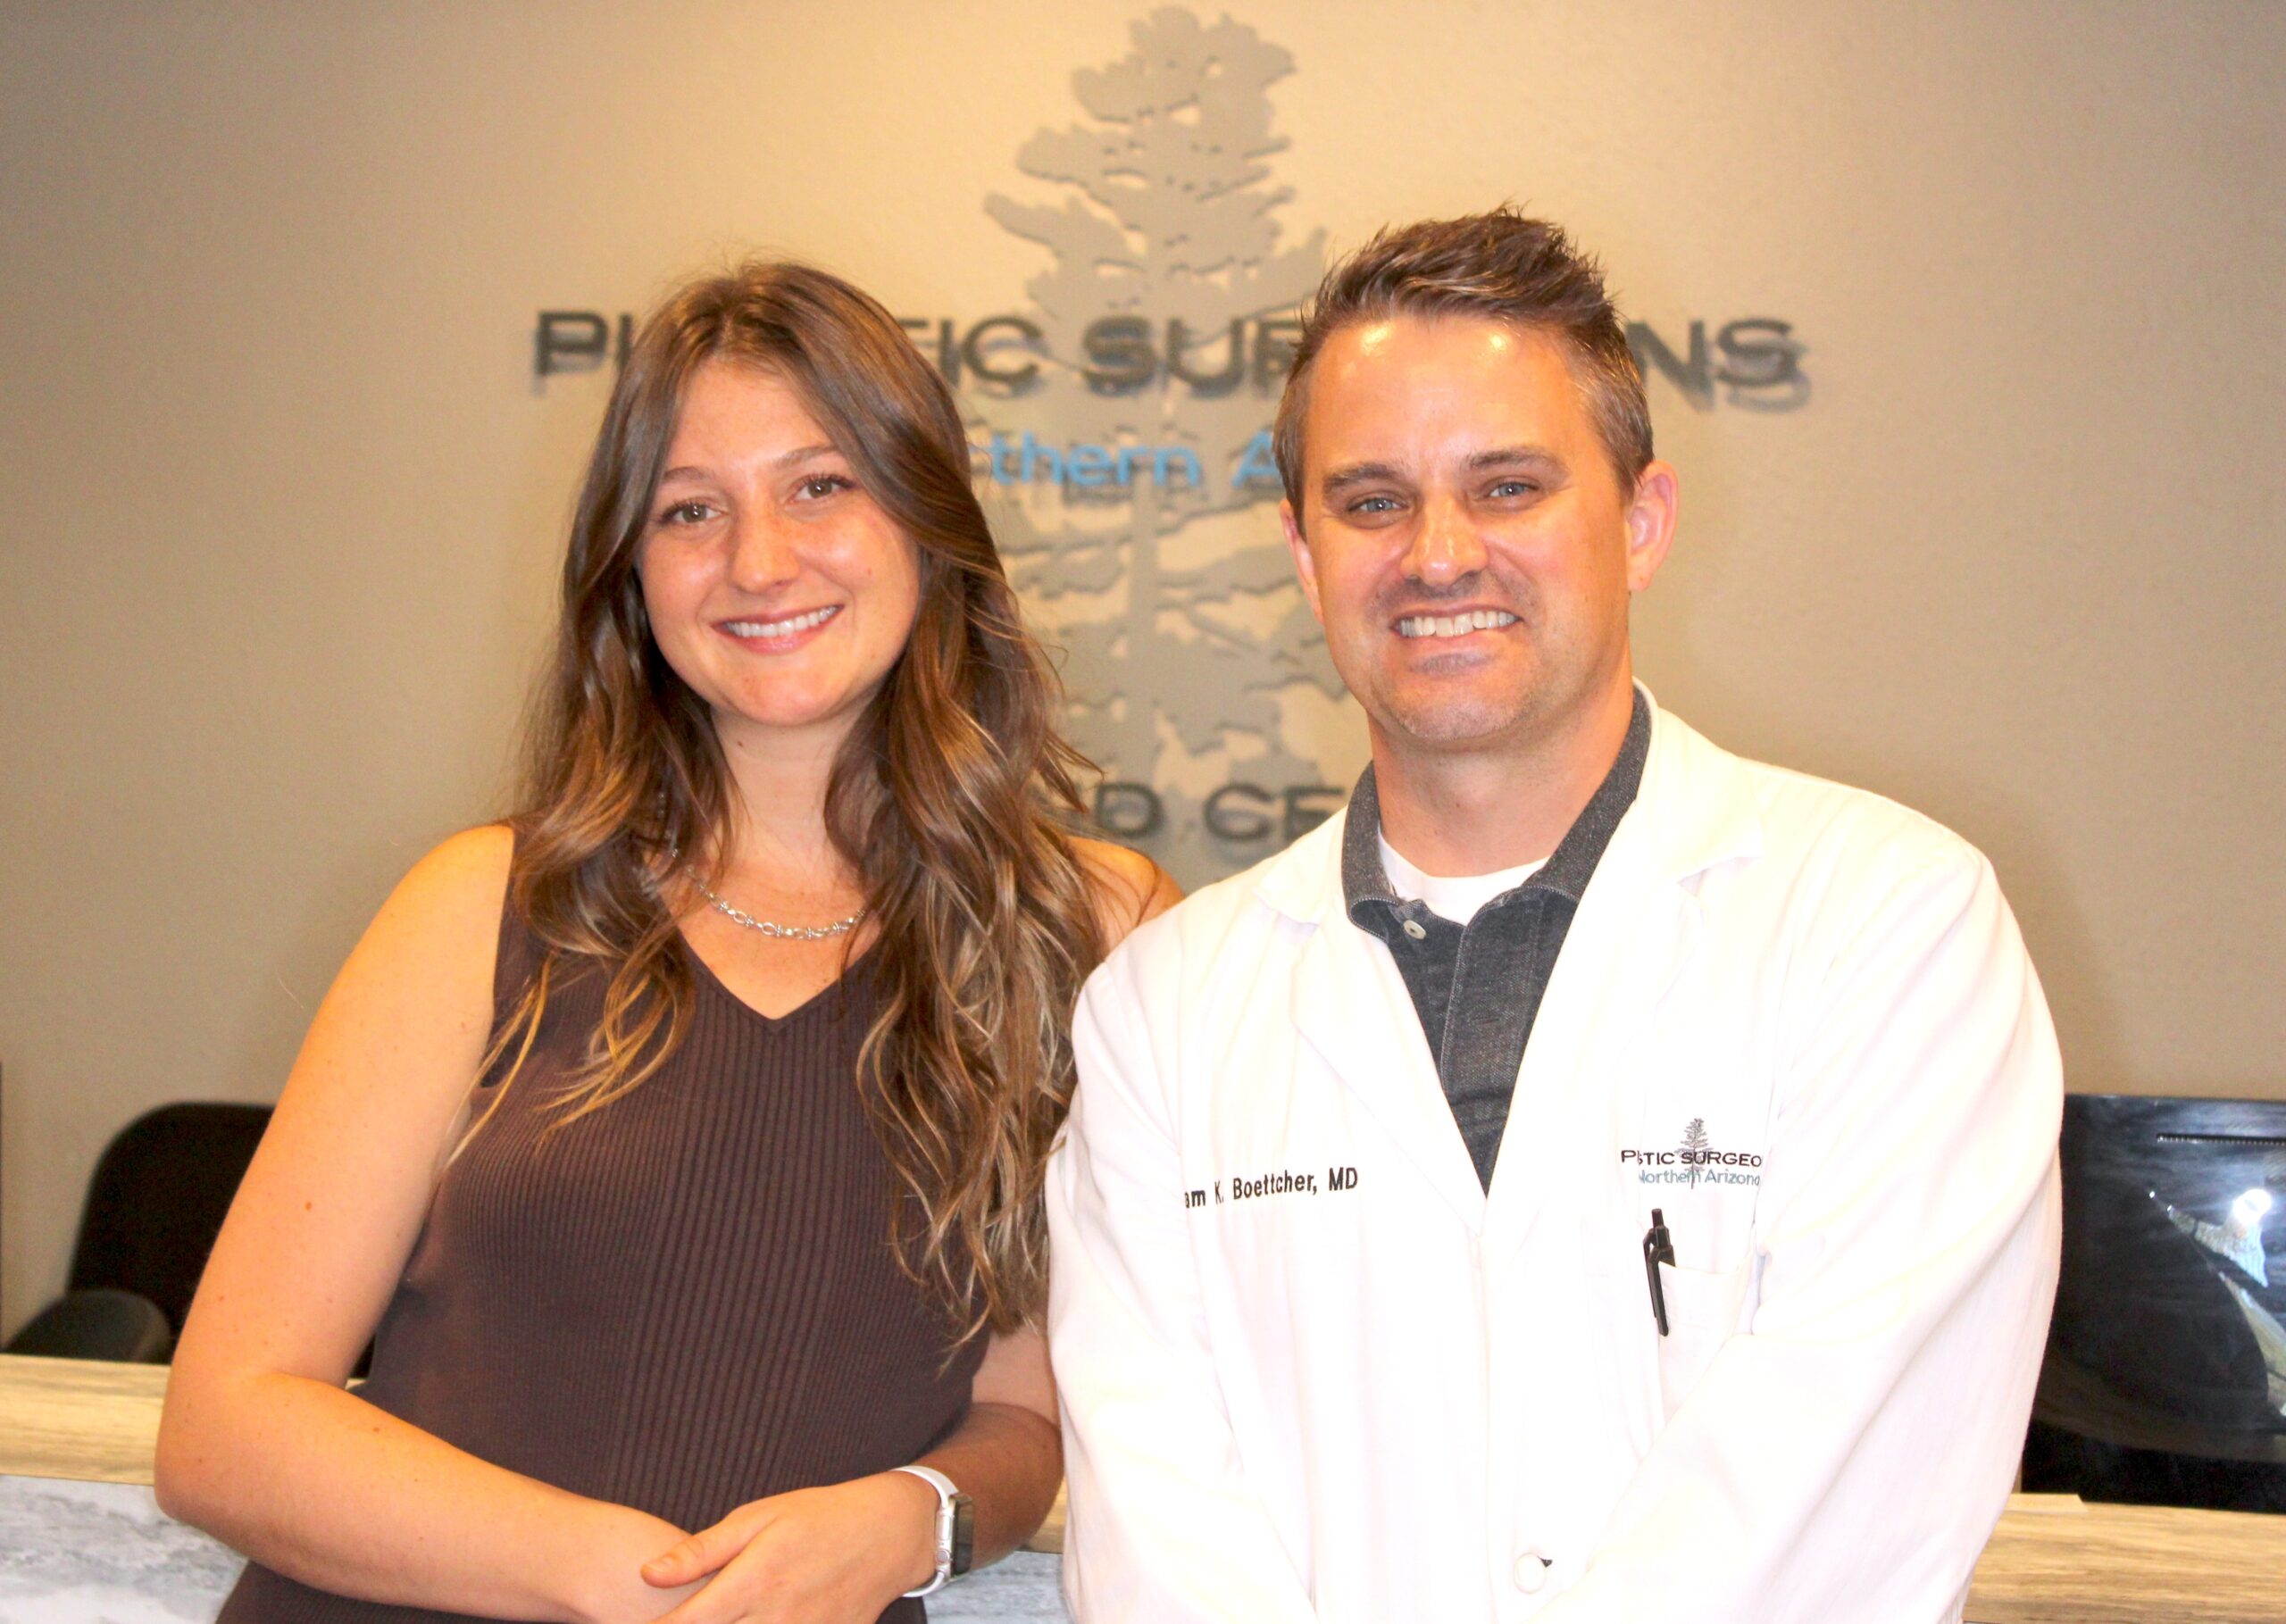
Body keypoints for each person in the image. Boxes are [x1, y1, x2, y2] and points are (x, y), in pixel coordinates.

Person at [1045, 209, 2063, 1623]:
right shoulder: (1163, 1014)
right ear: (1302, 553)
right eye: (1372, 499)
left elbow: (1839, 1497)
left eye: (1509, 486)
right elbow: (1161, 1541)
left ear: (1641, 525)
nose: (1438, 554)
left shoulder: (1888, 926)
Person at [156, 261, 1176, 1624]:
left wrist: (908, 1521)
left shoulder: (1090, 933)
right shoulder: (482, 910)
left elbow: (1025, 1413)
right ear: (631, 576)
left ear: (928, 518)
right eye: (691, 510)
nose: (760, 561)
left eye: (821, 485)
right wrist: (631, 1583)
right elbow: (226, 1425)